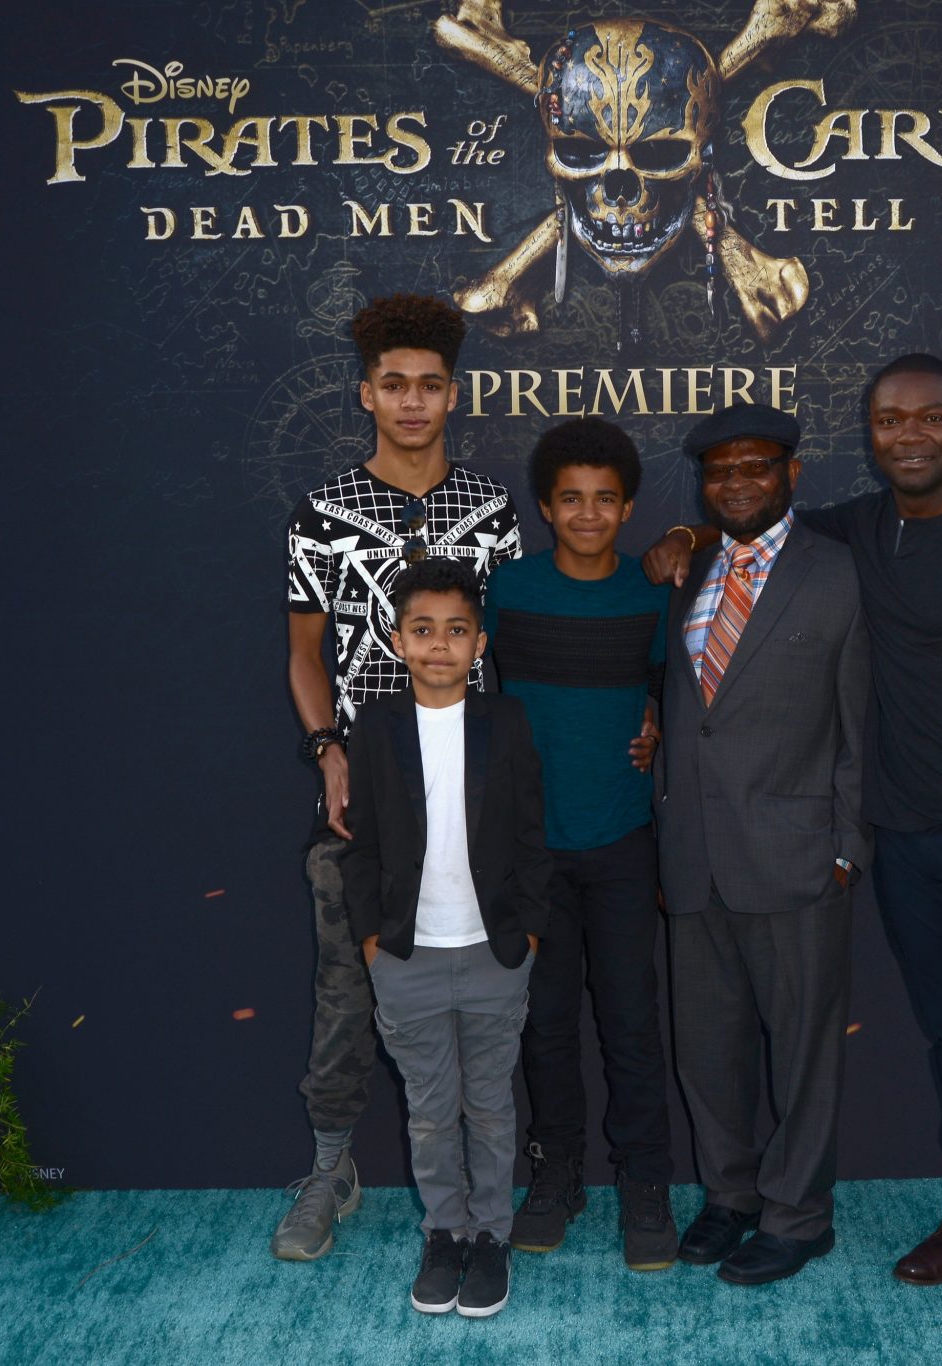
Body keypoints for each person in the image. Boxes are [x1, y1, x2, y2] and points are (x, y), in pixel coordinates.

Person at [643, 354, 942, 1349]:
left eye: (928, 418)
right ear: (870, 433)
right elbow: (756, 525)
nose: (908, 435)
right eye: (891, 420)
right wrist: (686, 535)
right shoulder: (862, 527)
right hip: (903, 833)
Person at [276, 293, 521, 1260]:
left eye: (428, 385)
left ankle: (491, 1192)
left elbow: (511, 651)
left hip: (473, 800)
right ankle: (328, 1169)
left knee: (491, 995)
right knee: (347, 993)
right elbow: (303, 655)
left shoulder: (490, 511)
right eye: (393, 385)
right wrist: (327, 748)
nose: (412, 402)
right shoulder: (323, 513)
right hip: (363, 804)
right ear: (366, 395)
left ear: (453, 395)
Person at [655, 402, 870, 1288]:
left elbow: (862, 722)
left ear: (791, 474)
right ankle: (731, 1196)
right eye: (720, 471)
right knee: (707, 1050)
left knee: (804, 1053)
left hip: (798, 856)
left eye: (756, 467)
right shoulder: (689, 567)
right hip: (693, 856)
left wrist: (847, 847)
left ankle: (798, 1217)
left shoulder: (841, 574)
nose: (737, 482)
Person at [482, 417, 678, 1270]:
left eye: (605, 499)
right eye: (571, 499)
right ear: (546, 507)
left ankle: (645, 1180)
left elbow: (677, 694)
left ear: (628, 508)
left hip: (623, 842)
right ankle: (556, 1170)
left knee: (632, 1022)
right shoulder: (507, 591)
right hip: (533, 851)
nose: (588, 514)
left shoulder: (651, 593)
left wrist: (657, 720)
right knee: (545, 1023)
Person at [339, 559, 551, 1319]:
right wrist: (373, 942)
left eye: (456, 631)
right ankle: (445, 1234)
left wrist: (528, 936)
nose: (439, 644)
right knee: (430, 1114)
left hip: (495, 953)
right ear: (397, 640)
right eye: (423, 630)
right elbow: (360, 845)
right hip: (407, 957)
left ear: (479, 643)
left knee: (490, 1108)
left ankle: (490, 1236)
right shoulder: (375, 727)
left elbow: (532, 836)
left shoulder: (508, 721)